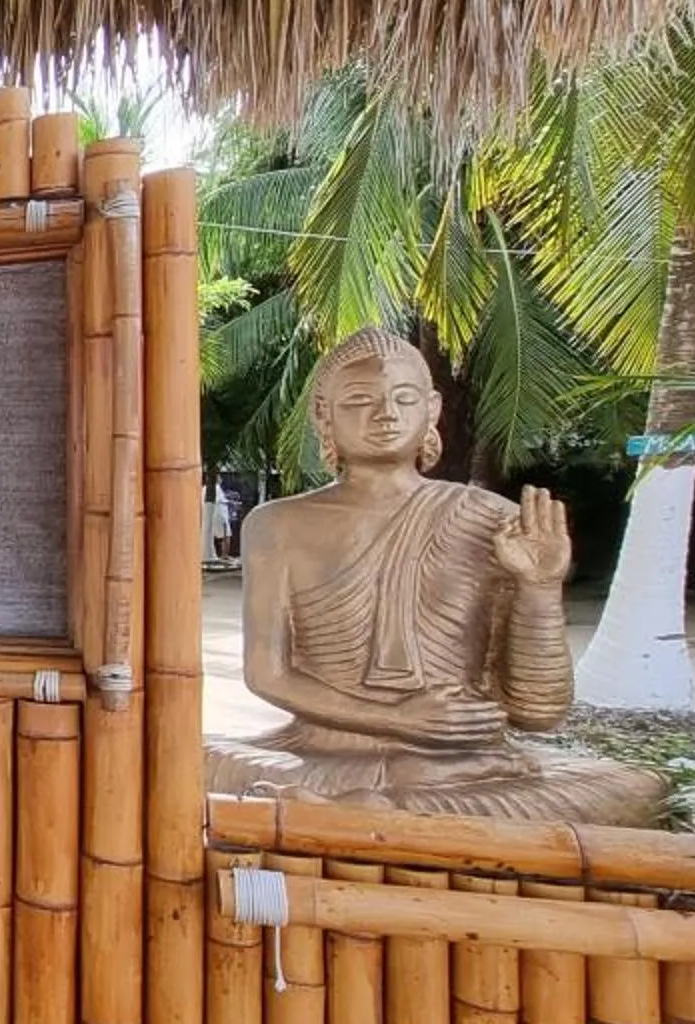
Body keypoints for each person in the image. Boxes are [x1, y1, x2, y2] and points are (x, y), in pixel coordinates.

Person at [206, 329, 660, 823]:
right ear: (323, 413)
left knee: (640, 787)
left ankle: (364, 815)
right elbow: (267, 674)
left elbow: (538, 713)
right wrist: (397, 719)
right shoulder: (276, 524)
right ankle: (387, 814)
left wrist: (539, 590)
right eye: (360, 401)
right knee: (192, 758)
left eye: (404, 398)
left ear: (433, 408)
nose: (386, 415)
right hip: (326, 754)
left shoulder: (493, 519)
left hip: (464, 764)